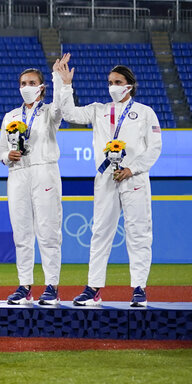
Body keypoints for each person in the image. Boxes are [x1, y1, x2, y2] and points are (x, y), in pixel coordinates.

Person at [53, 54, 161, 308]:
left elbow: (154, 149)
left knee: (139, 234)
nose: (112, 86)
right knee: (100, 233)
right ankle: (93, 288)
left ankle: (139, 289)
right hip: (105, 179)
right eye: (110, 81)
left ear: (129, 85)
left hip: (134, 179)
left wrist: (132, 169)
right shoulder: (99, 110)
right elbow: (69, 113)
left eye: (118, 81)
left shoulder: (145, 113)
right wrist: (64, 83)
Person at [0, 68, 64, 306]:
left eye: (32, 82)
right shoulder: (10, 116)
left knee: (48, 232)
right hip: (17, 173)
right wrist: (8, 155)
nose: (26, 86)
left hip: (43, 170)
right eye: (23, 82)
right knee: (22, 234)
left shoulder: (49, 113)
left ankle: (52, 286)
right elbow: (0, 151)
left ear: (41, 87)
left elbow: (60, 107)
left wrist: (59, 79)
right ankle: (25, 285)